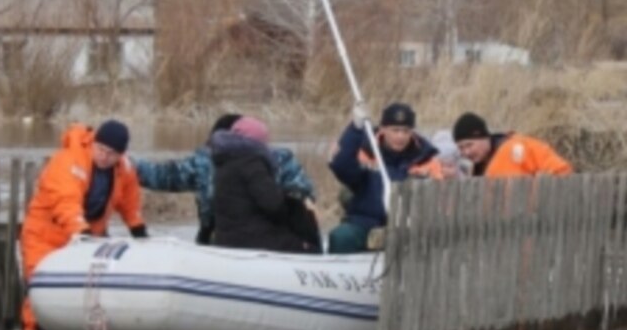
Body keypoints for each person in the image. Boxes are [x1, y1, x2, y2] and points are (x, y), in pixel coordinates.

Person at [19, 119, 147, 330]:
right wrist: (80, 230)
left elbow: (130, 202)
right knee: (40, 293)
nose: (104, 157)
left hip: (84, 239)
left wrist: (138, 229)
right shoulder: (69, 160)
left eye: (112, 153)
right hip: (45, 235)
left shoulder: (124, 170)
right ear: (93, 143)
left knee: (81, 295)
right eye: (101, 149)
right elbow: (66, 201)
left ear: (121, 155)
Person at [134, 113, 316, 245]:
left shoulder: (279, 161)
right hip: (228, 239)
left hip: (254, 239)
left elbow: (301, 198)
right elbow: (162, 175)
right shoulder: (205, 163)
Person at [327, 102, 443, 253]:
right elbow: (342, 167)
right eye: (395, 130)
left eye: (406, 131)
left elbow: (438, 198)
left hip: (409, 228)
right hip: (365, 222)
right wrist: (356, 127)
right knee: (341, 237)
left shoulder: (426, 159)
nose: (400, 136)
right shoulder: (365, 150)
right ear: (383, 129)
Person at [211, 116, 320, 254]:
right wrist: (294, 204)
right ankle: (317, 262)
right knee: (305, 238)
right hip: (252, 240)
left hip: (225, 239)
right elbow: (273, 204)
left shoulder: (223, 164)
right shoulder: (252, 164)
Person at [452, 112, 573, 177]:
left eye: (469, 145)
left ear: (484, 137)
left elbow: (562, 171)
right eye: (461, 148)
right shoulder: (476, 169)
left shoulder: (520, 146)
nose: (466, 152)